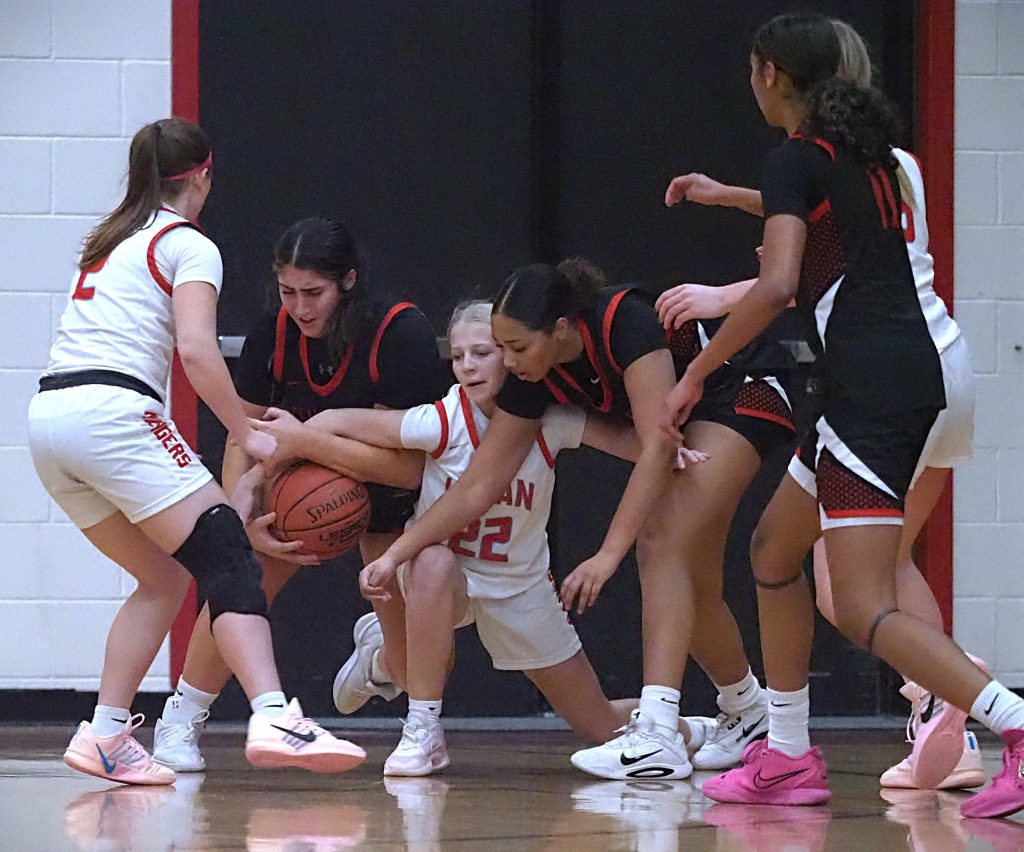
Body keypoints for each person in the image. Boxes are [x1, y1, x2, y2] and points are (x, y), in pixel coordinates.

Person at [661, 13, 1024, 818]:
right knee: (775, 550)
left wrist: (698, 374)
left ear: (769, 75)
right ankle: (787, 754)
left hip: (876, 383)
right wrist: (732, 197)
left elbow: (781, 281)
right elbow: (812, 213)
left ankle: (1014, 726)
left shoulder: (798, 158)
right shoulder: (873, 158)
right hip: (924, 362)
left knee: (860, 601)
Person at [343, 255, 793, 782]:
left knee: (659, 542)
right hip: (680, 427)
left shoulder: (625, 319)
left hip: (740, 387)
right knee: (692, 579)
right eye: (500, 348)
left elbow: (655, 446)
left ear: (560, 330)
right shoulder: (532, 373)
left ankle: (656, 733)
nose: (506, 364)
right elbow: (480, 486)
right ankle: (747, 710)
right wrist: (396, 553)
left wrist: (606, 554)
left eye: (515, 348)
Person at [26, 119, 364, 785]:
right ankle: (275, 714)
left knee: (165, 578)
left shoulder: (107, 241)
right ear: (202, 176)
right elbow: (198, 350)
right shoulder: (187, 243)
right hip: (112, 413)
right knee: (229, 552)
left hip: (49, 422)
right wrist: (244, 427)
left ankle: (106, 734)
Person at [257, 300, 716, 775]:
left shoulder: (551, 419)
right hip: (447, 582)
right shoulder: (441, 418)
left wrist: (672, 449)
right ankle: (422, 730)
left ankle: (694, 731)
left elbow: (641, 445)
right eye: (458, 357)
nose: (468, 367)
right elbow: (338, 420)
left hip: (519, 585)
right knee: (431, 560)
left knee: (599, 726)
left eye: (481, 353)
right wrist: (297, 439)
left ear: (510, 355)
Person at [151, 216, 444, 772]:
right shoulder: (274, 333)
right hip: (297, 492)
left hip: (391, 506)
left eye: (314, 293)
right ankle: (180, 720)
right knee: (240, 582)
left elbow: (405, 471)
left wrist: (309, 437)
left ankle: (379, 656)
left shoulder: (398, 333)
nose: (301, 307)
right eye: (289, 292)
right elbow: (246, 435)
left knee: (412, 673)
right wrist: (243, 507)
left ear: (348, 281)